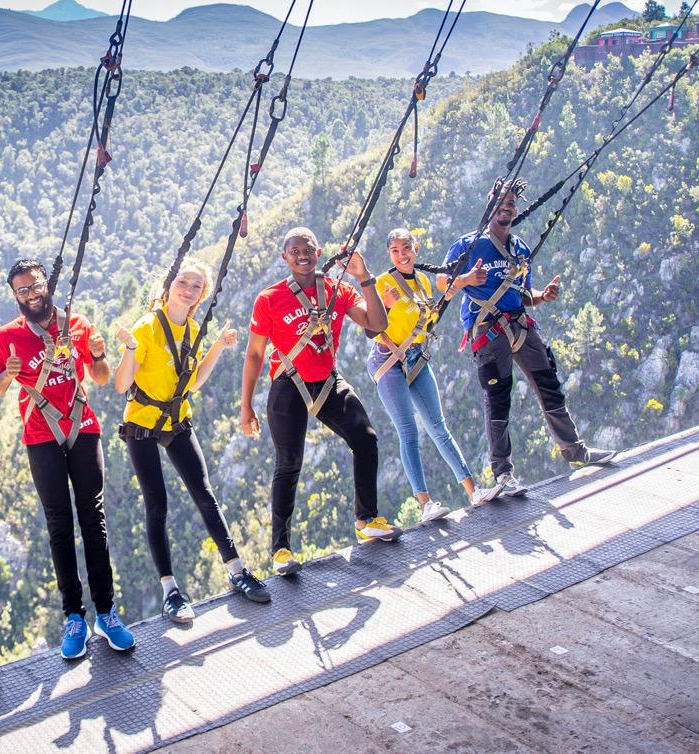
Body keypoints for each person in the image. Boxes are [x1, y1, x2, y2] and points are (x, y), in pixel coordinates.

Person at [0, 258, 135, 659]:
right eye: (23, 291)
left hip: (82, 426)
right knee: (59, 526)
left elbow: (100, 377)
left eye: (36, 287)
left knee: (93, 518)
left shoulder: (77, 325)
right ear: (14, 295)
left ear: (46, 285)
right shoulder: (7, 337)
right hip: (40, 433)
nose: (31, 295)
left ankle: (106, 611)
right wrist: (6, 374)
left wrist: (99, 355)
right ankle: (74, 616)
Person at [112, 258, 271, 624]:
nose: (188, 290)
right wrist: (131, 350)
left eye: (196, 286)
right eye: (183, 282)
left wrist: (216, 346)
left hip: (177, 418)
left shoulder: (193, 330)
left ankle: (236, 569)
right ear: (169, 285)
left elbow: (194, 382)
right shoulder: (148, 327)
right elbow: (121, 386)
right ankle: (170, 590)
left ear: (202, 295)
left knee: (204, 493)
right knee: (158, 504)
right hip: (141, 423)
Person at [239, 227, 401, 578]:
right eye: (294, 250)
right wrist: (246, 405)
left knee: (366, 438)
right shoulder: (270, 298)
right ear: (285, 257)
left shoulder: (338, 288)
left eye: (308, 249)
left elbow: (376, 324)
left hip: (328, 380)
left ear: (319, 251)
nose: (302, 255)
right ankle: (280, 549)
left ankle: (366, 519)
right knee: (289, 462)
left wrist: (366, 279)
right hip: (288, 385)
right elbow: (254, 354)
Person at [441, 178, 616, 496]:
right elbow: (443, 282)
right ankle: (503, 473)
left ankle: (576, 452)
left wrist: (542, 296)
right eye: (502, 201)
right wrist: (467, 278)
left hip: (519, 323)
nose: (508, 206)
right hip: (488, 329)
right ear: (491, 204)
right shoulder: (470, 244)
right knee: (499, 399)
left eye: (512, 202)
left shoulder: (520, 249)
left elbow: (522, 294)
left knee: (549, 385)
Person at [367, 228, 498, 521]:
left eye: (406, 248)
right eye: (395, 251)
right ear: (389, 254)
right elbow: (370, 329)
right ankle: (425, 503)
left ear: (416, 248)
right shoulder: (383, 283)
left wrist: (452, 290)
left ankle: (473, 491)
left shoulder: (424, 281)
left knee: (439, 427)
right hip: (388, 359)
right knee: (409, 431)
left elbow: (428, 320)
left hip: (416, 356)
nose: (402, 255)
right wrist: (385, 307)